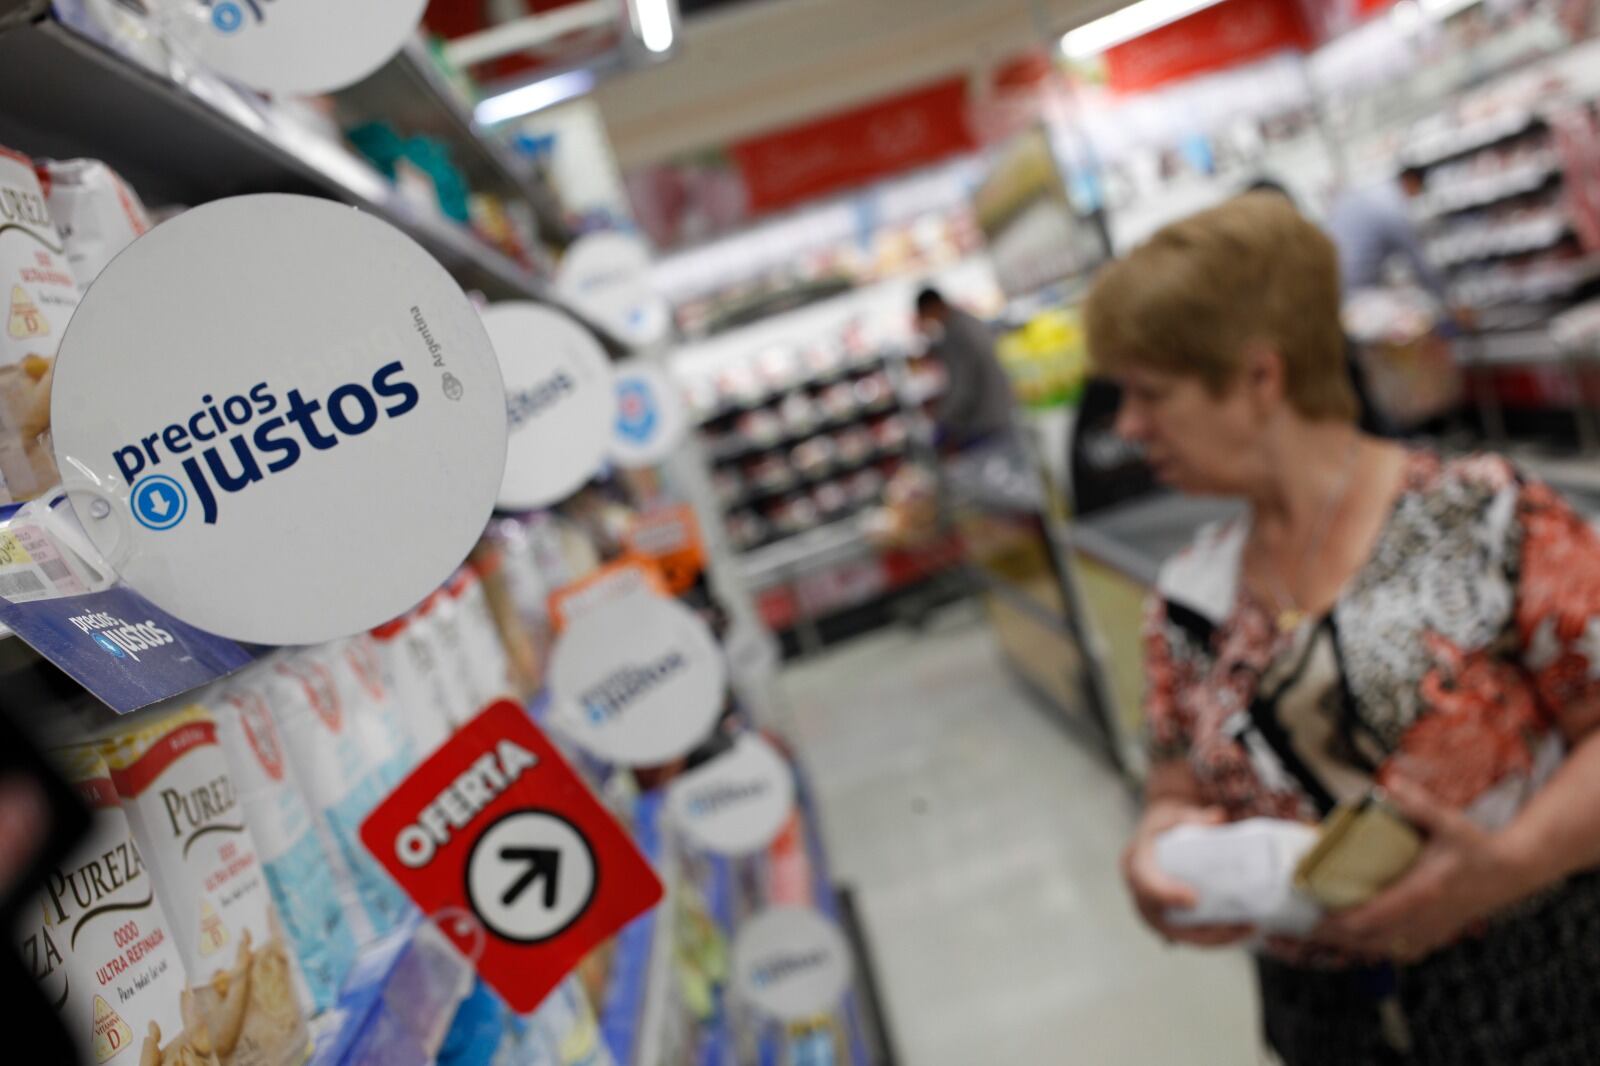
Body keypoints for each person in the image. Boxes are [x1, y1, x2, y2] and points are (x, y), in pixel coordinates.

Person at [1085, 192, 1600, 1064]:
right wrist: (1155, 852)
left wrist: (1511, 863)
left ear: (1260, 378)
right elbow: (1176, 790)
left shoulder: (1485, 519)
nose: (1129, 427)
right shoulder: (1186, 601)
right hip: (1325, 1028)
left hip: (1547, 998)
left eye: (1150, 394)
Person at [914, 288, 1015, 449]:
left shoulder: (957, 333)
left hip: (986, 418)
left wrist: (944, 418)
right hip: (1001, 408)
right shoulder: (964, 321)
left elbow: (963, 387)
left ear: (932, 307)